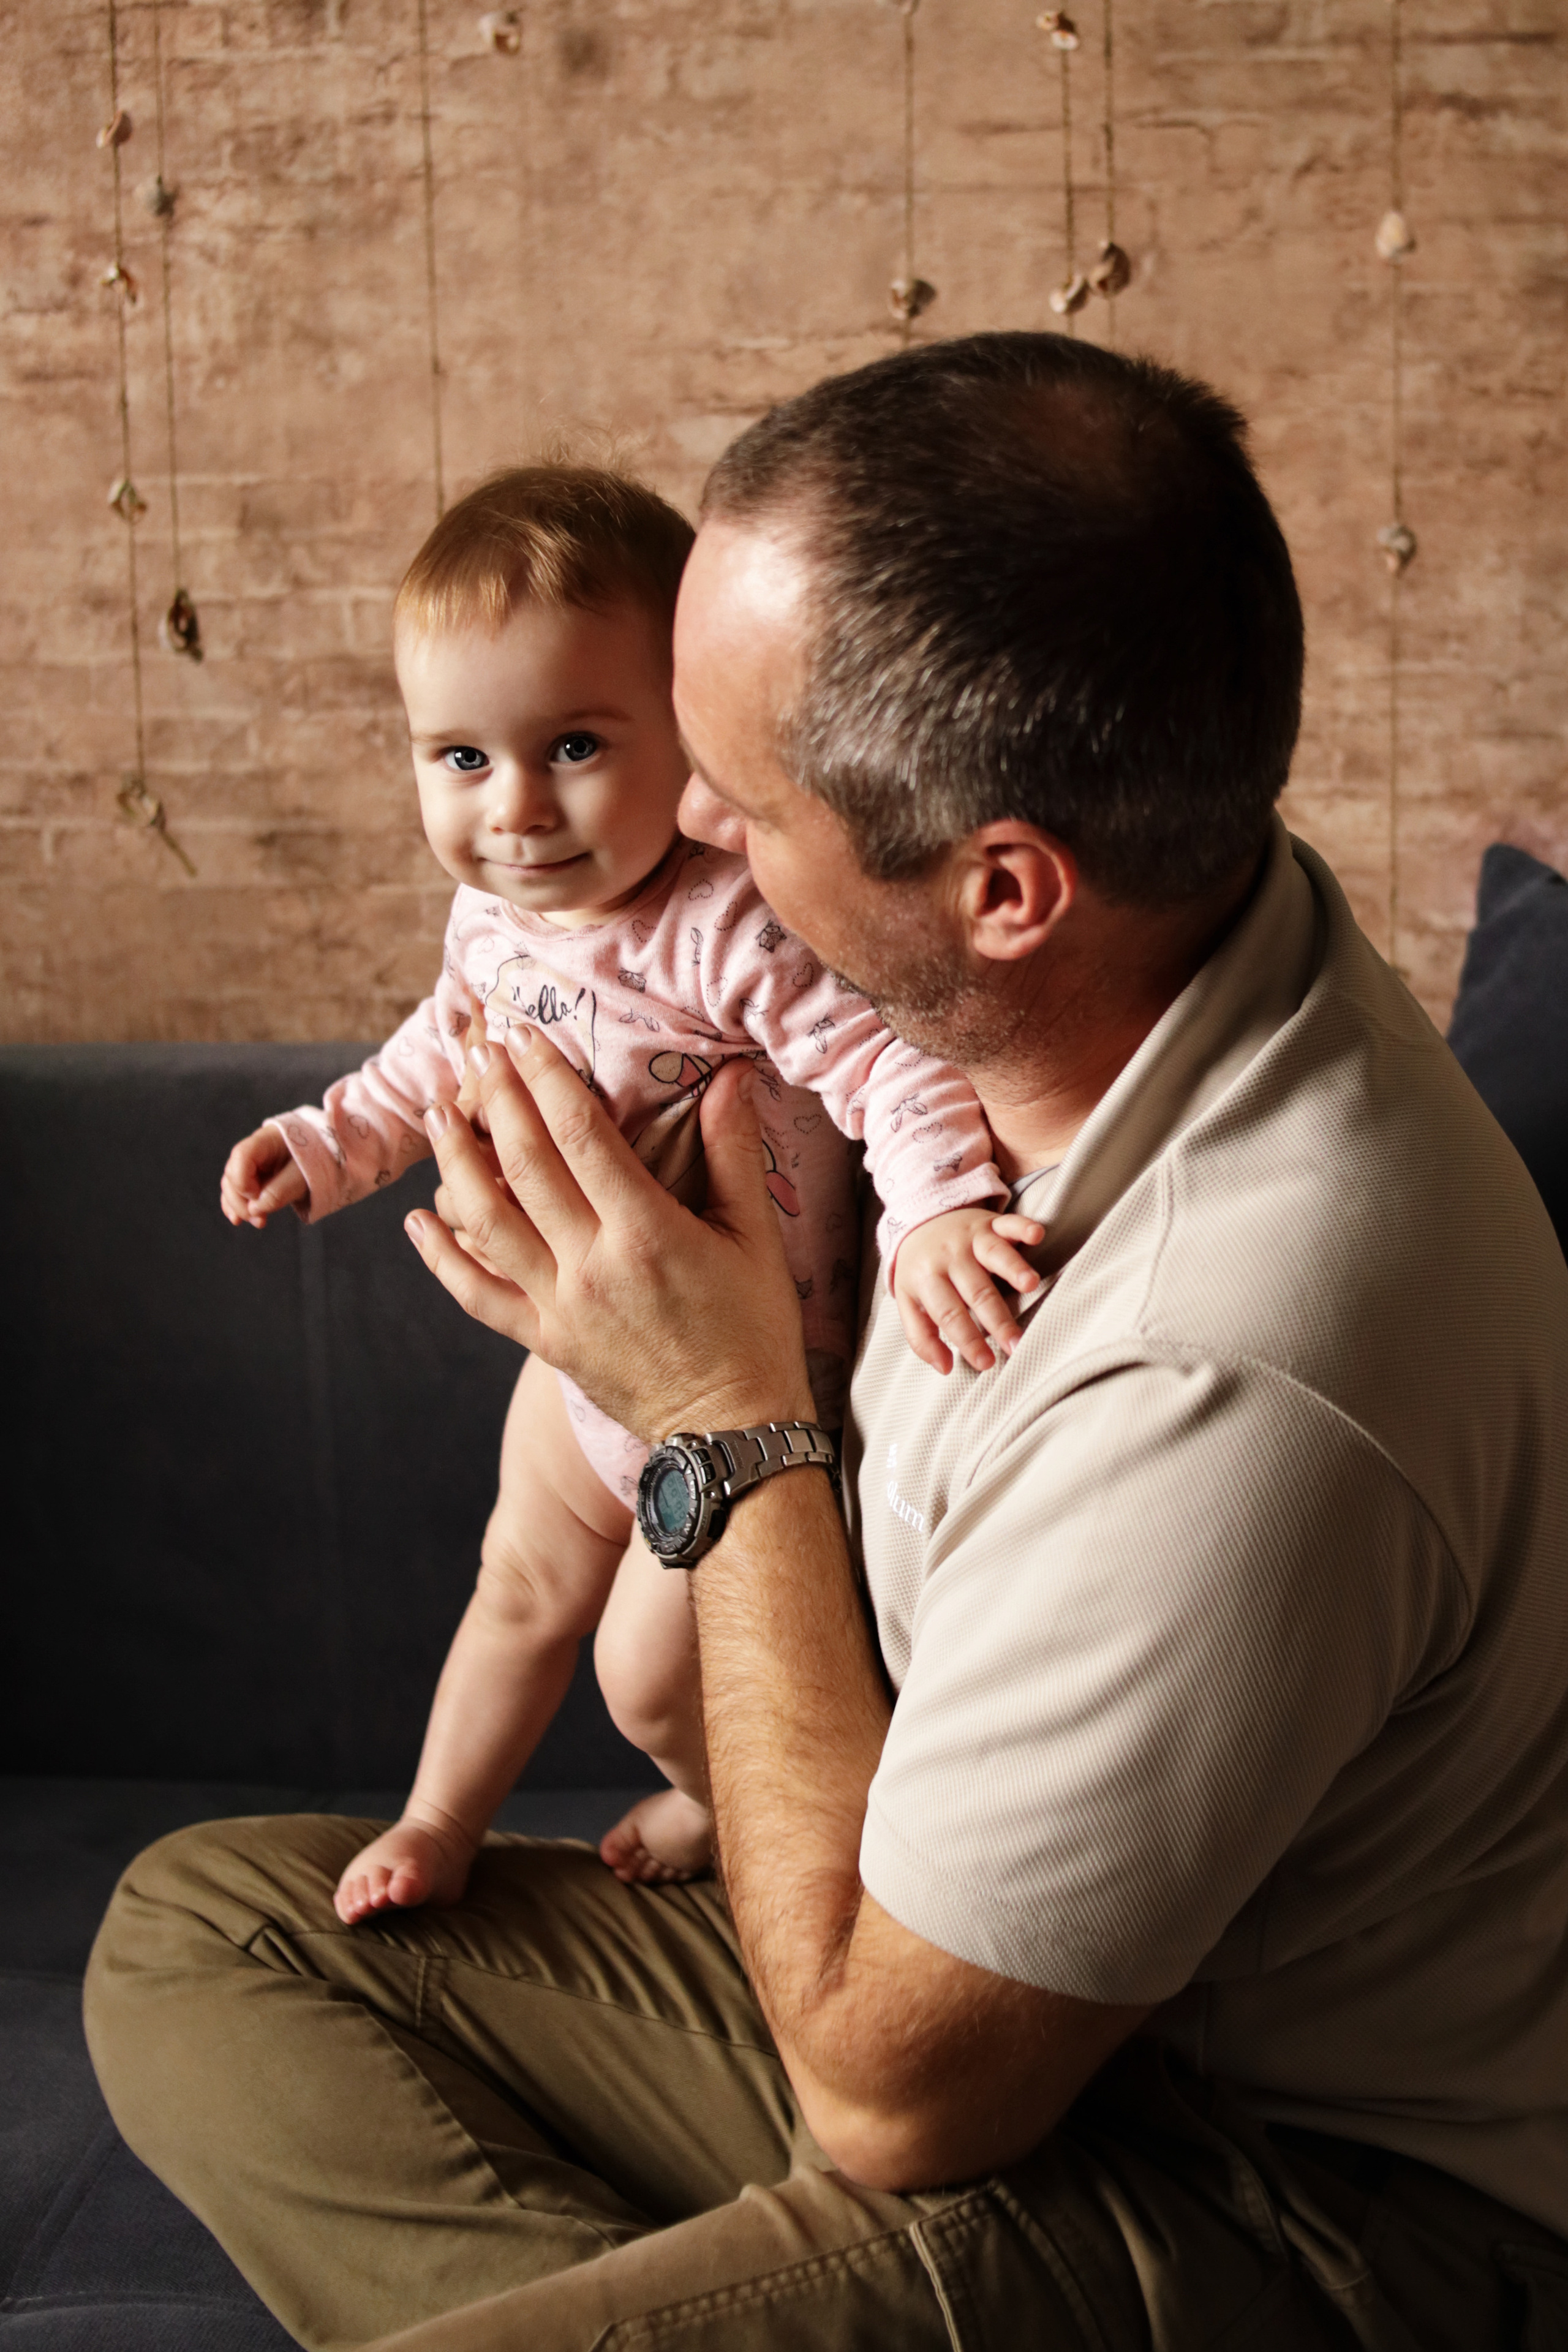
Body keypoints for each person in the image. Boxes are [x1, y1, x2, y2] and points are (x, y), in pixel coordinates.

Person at [86, 335, 1568, 2351]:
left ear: (1004, 887)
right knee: (208, 1931)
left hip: (1288, 2184)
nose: (676, 828)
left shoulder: (1228, 1355)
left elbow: (891, 2096)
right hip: (994, 1971)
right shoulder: (1165, 944)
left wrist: (721, 1419)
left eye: (739, 794)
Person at [216, 461, 1040, 1904]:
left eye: (576, 745)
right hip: (581, 1358)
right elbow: (432, 1055)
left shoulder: (730, 927)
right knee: (517, 1589)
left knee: (648, 1680)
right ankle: (434, 1824)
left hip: (744, 1380)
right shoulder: (492, 920)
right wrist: (334, 1140)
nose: (517, 809)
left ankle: (782, 1837)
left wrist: (938, 1214)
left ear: (690, 735)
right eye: (461, 759)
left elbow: (886, 1070)